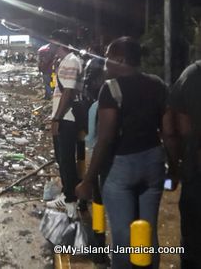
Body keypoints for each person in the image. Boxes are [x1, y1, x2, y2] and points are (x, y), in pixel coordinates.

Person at [75, 37, 167, 268]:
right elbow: (168, 130)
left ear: (120, 59)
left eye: (107, 58)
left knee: (122, 235)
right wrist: (173, 168)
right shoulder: (157, 84)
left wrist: (87, 180)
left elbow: (105, 138)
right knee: (149, 230)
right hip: (154, 161)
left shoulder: (111, 88)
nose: (105, 64)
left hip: (122, 166)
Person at [163, 61, 201, 267]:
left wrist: (174, 170)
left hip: (195, 173)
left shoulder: (192, 75)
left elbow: (173, 129)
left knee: (193, 243)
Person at [47, 29, 83, 219]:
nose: (50, 46)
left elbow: (68, 93)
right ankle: (68, 195)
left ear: (60, 44)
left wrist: (56, 118)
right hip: (65, 116)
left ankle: (70, 202)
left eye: (52, 43)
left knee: (66, 159)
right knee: (63, 159)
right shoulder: (69, 60)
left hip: (66, 118)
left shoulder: (70, 61)